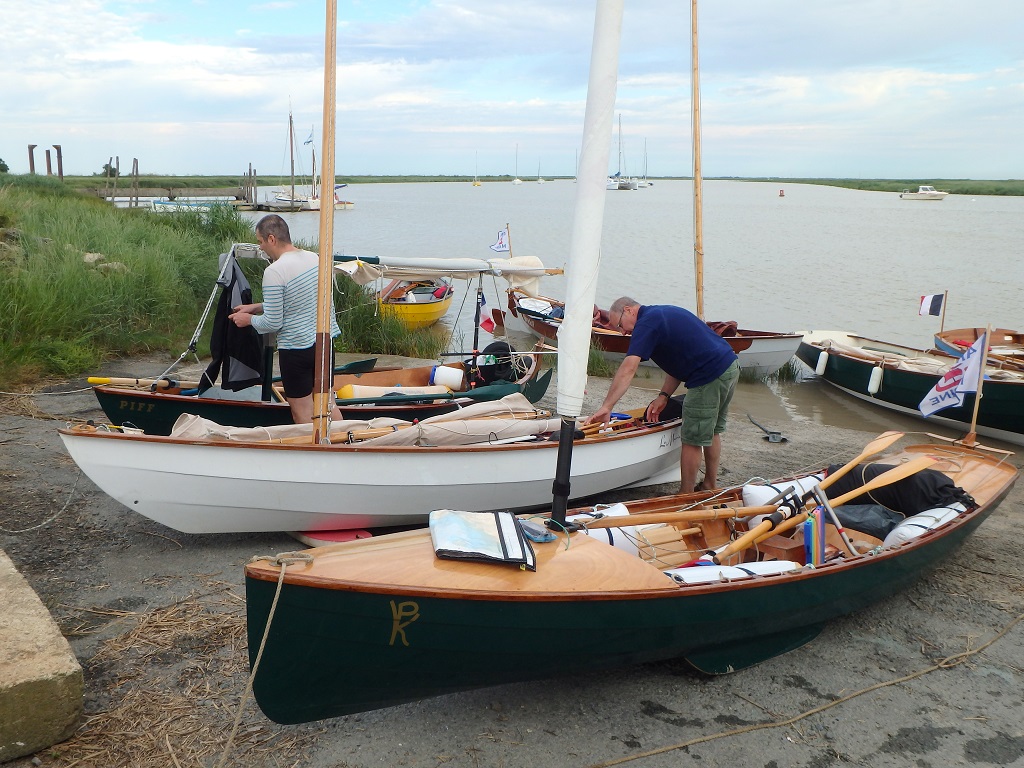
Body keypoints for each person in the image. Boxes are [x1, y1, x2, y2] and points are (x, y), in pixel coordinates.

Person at [584, 296, 739, 493]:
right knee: (712, 430)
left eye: (620, 325)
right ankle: (709, 484)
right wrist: (664, 395)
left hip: (709, 375)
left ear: (629, 310)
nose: (623, 332)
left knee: (692, 439)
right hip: (729, 366)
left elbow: (628, 368)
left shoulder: (646, 324)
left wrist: (607, 407)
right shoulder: (659, 315)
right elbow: (678, 361)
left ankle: (686, 495)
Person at [229, 214, 342, 425]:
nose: (260, 247)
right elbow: (302, 299)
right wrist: (257, 307)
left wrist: (249, 320)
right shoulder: (315, 258)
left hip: (297, 351)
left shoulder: (274, 271)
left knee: (303, 411)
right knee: (328, 404)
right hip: (324, 343)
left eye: (260, 242)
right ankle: (345, 445)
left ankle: (315, 454)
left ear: (271, 239)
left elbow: (272, 323)